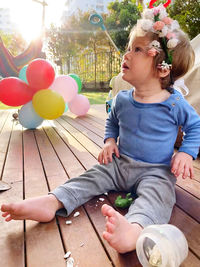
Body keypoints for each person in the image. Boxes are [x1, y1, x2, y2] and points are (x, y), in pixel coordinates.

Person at [1, 4, 200, 254]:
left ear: (162, 68)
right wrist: (109, 141)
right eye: (129, 48)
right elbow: (113, 121)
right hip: (119, 163)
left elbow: (195, 125)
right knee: (92, 176)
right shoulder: (122, 99)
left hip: (155, 171)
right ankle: (54, 201)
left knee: (159, 196)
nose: (126, 54)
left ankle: (135, 228)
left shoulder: (174, 103)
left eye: (137, 49)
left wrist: (185, 153)